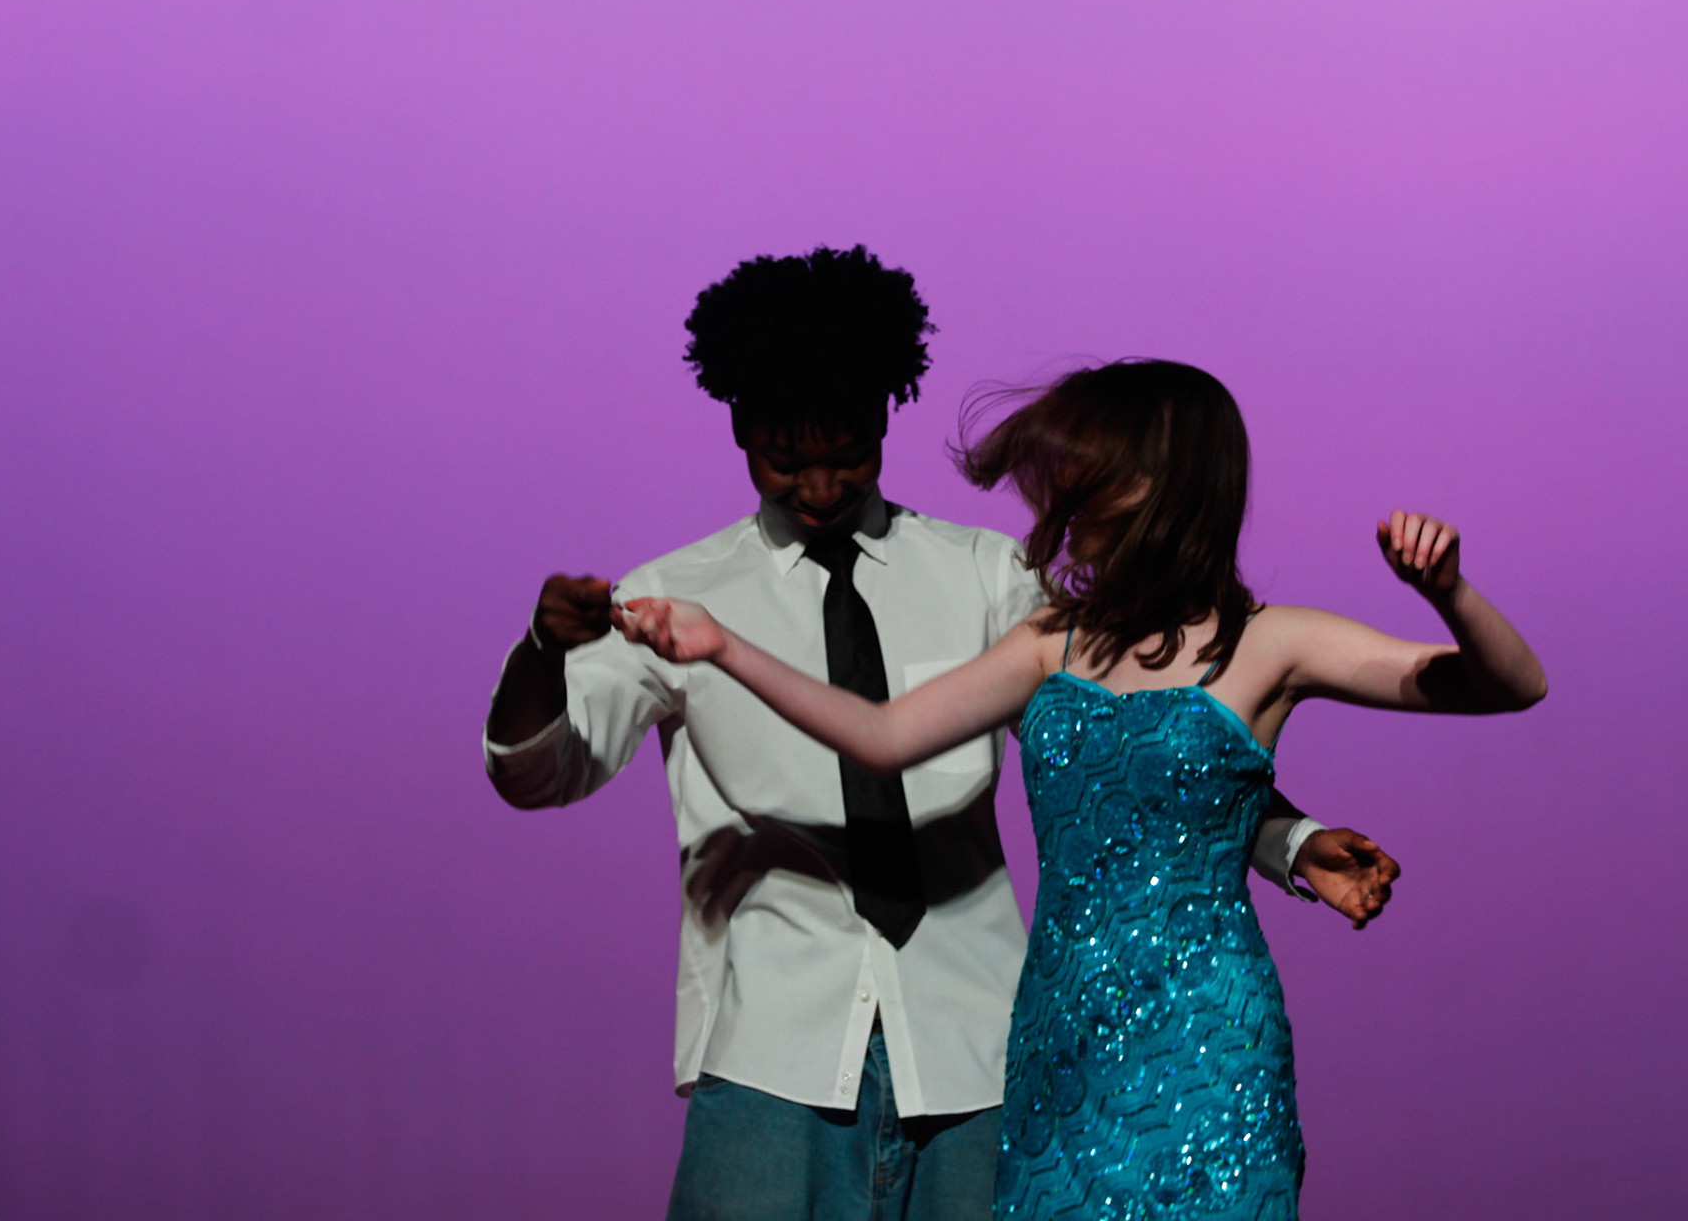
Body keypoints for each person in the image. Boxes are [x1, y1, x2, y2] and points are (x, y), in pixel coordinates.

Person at [484, 252, 1401, 1221]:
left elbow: (1134, 740)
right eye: (786, 458)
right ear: (739, 427)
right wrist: (545, 650)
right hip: (770, 1054)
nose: (820, 484)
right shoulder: (675, 596)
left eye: (847, 452)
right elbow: (537, 771)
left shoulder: (991, 578)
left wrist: (1285, 838)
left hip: (976, 1046)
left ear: (887, 418)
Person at [619, 359, 1547, 1220]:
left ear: (1162, 485)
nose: (1063, 498)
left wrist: (1450, 591)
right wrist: (724, 646)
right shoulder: (1049, 641)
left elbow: (1513, 685)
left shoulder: (1274, 642)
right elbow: (882, 735)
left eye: (1090, 475)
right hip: (1060, 1041)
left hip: (1205, 1042)